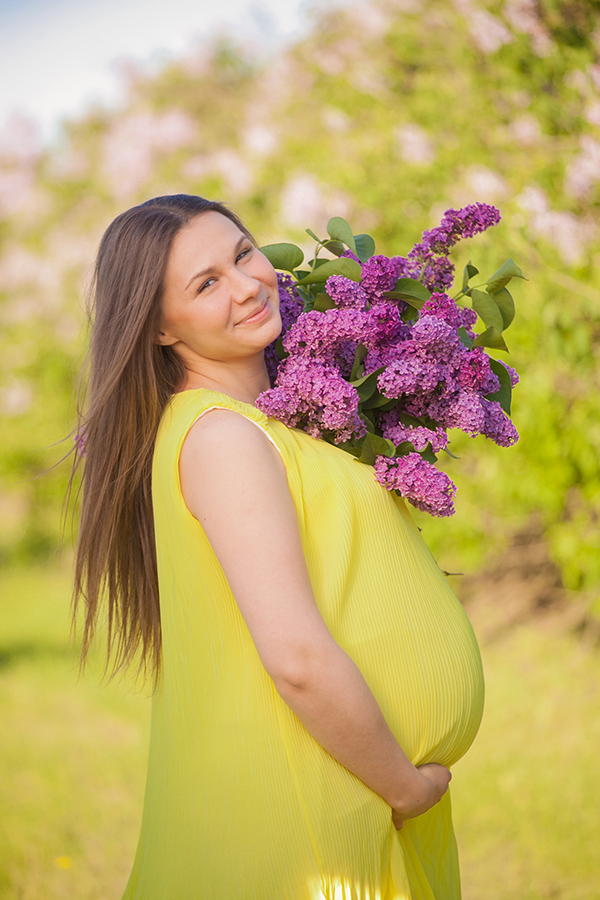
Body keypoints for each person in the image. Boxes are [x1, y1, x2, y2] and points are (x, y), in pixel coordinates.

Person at [72, 193, 485, 900]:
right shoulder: (224, 440)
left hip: (338, 793)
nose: (245, 285)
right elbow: (294, 657)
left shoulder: (256, 427)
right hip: (308, 811)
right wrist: (405, 786)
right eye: (205, 285)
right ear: (160, 330)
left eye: (242, 254)